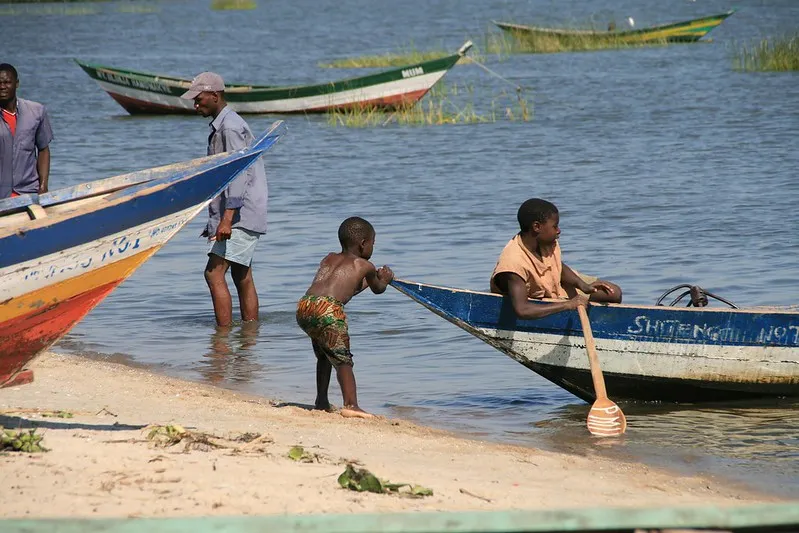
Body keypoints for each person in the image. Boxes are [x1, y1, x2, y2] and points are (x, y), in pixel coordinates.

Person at [181, 72, 268, 327]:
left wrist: (227, 220)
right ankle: (249, 337)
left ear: (215, 95)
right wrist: (216, 220)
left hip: (240, 214)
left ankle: (222, 342)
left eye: (199, 99)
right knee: (242, 274)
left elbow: (237, 175)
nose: (195, 105)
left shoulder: (229, 127)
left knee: (214, 273)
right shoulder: (226, 123)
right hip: (243, 212)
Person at [296, 217, 394, 419]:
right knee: (343, 360)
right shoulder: (364, 265)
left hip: (306, 305)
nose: (373, 247)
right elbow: (378, 288)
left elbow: (346, 287)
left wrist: (369, 282)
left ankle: (321, 401)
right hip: (329, 310)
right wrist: (385, 279)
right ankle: (351, 404)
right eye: (373, 243)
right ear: (363, 244)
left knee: (324, 354)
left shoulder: (329, 258)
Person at [490, 198, 622, 320]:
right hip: (538, 297)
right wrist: (567, 305)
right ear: (537, 227)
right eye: (555, 226)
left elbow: (557, 265)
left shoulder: (546, 241)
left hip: (556, 284)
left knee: (613, 293)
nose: (559, 231)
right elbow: (522, 310)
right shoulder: (514, 262)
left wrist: (582, 285)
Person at [0, 63, 54, 199]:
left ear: (16, 83)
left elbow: (43, 150)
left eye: (7, 82)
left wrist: (43, 187)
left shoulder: (36, 111)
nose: (2, 87)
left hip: (28, 193)